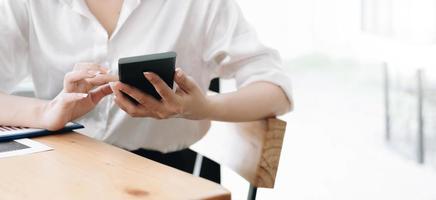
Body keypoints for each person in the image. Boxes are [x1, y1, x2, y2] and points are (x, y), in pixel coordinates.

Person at [0, 0, 293, 182]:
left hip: (173, 175)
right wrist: (48, 112)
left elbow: (276, 89)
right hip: (65, 167)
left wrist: (201, 108)